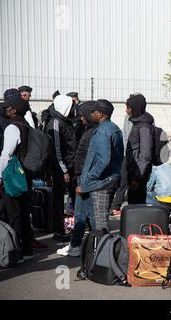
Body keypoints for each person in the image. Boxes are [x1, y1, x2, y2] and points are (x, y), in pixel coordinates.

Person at [0, 96, 33, 261]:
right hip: (26, 174)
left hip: (13, 176)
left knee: (14, 213)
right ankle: (27, 249)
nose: (5, 109)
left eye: (8, 107)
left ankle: (15, 252)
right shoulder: (27, 125)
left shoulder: (12, 128)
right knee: (24, 212)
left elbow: (6, 155)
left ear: (14, 110)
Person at [57, 101, 97, 257]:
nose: (80, 119)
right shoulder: (89, 131)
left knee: (83, 214)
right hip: (83, 178)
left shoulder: (93, 133)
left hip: (85, 180)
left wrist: (83, 179)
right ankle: (86, 244)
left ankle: (77, 245)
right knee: (85, 214)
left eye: (82, 115)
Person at [77, 100, 124, 232]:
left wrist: (90, 178)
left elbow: (103, 160)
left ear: (100, 114)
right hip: (109, 178)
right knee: (101, 219)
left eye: (93, 112)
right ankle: (101, 249)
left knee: (100, 222)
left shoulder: (103, 131)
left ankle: (103, 251)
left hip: (102, 182)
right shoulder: (114, 128)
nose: (91, 114)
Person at [44, 95, 76, 241]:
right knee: (58, 200)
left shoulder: (64, 121)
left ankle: (69, 226)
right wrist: (63, 170)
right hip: (60, 169)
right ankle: (58, 230)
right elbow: (56, 150)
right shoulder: (56, 123)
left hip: (68, 166)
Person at [125, 94, 154, 204]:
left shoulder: (144, 126)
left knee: (137, 205)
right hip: (134, 172)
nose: (126, 110)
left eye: (128, 107)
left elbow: (146, 155)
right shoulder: (137, 123)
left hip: (138, 174)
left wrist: (138, 177)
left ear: (134, 108)